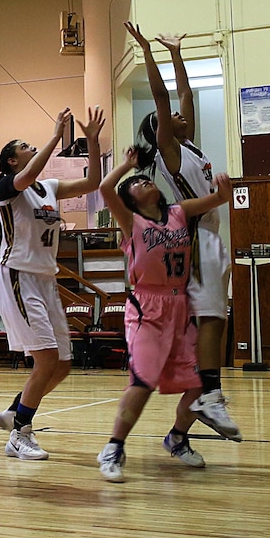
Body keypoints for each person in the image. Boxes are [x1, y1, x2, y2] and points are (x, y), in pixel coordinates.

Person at [127, 22, 241, 442]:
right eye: (170, 116)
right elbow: (163, 96)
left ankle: (181, 432)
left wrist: (176, 52)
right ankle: (211, 394)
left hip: (212, 236)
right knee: (211, 320)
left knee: (218, 322)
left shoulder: (190, 143)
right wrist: (145, 50)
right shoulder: (169, 152)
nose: (179, 114)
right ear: (161, 130)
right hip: (194, 239)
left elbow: (185, 95)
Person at [96, 148, 234, 481]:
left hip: (180, 306)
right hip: (148, 307)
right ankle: (114, 446)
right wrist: (126, 166)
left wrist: (224, 193)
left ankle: (176, 437)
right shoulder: (131, 222)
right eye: (137, 183)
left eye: (146, 178)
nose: (144, 182)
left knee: (200, 384)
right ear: (130, 199)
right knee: (143, 382)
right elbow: (103, 189)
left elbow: (215, 201)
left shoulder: (178, 212)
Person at [0, 105, 105, 461]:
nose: (31, 146)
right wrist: (55, 136)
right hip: (19, 276)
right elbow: (28, 175)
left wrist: (94, 143)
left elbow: (93, 183)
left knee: (63, 363)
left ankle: (15, 411)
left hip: (46, 279)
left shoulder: (49, 187)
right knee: (47, 358)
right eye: (24, 145)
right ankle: (20, 434)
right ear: (10, 160)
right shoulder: (8, 188)